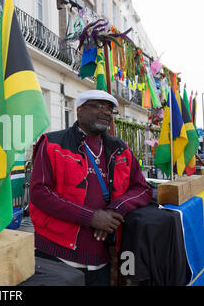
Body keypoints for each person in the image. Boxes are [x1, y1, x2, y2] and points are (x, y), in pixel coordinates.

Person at [29, 90, 152, 286]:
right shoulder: (52, 143)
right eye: (98, 106)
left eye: (110, 109)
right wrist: (91, 217)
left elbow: (143, 189)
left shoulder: (120, 149)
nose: (106, 113)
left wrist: (114, 210)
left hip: (102, 259)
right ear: (79, 110)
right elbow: (39, 193)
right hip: (56, 255)